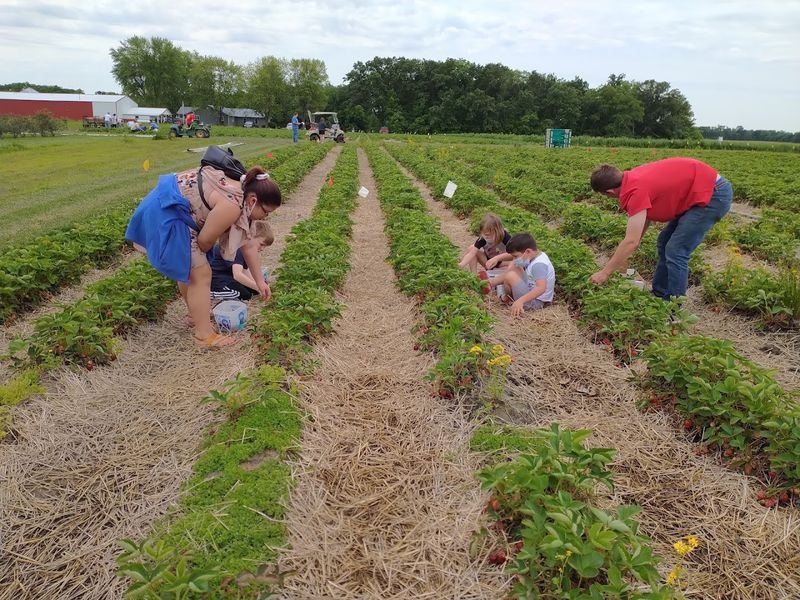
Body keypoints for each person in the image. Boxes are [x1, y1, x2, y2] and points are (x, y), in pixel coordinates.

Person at [126, 165, 282, 347]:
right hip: (168, 210)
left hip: (169, 203)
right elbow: (205, 241)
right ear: (253, 200)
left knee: (192, 268)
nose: (265, 217)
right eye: (266, 212)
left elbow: (247, 246)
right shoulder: (232, 204)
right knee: (200, 273)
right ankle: (204, 334)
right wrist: (201, 258)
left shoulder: (243, 193)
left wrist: (260, 282)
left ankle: (195, 314)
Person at [588, 158, 732, 301]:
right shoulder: (631, 179)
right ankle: (659, 293)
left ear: (610, 191)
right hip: (697, 190)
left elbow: (631, 241)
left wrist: (605, 273)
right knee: (664, 242)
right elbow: (639, 229)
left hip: (712, 194)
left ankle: (673, 309)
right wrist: (630, 248)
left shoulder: (636, 191)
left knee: (676, 250)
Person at [488, 233, 555, 317]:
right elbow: (513, 257)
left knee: (511, 276)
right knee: (515, 267)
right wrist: (497, 258)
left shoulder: (539, 265)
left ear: (528, 251)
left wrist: (521, 301)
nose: (515, 259)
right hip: (530, 289)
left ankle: (508, 299)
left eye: (516, 256)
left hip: (536, 303)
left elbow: (541, 288)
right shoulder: (536, 255)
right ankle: (490, 283)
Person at [210, 220, 274, 301]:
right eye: (261, 244)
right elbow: (237, 275)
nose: (262, 249)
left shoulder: (246, 249)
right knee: (243, 295)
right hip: (217, 278)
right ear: (251, 236)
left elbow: (245, 270)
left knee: (252, 291)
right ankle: (209, 293)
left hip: (227, 275)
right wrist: (257, 287)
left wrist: (257, 284)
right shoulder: (239, 248)